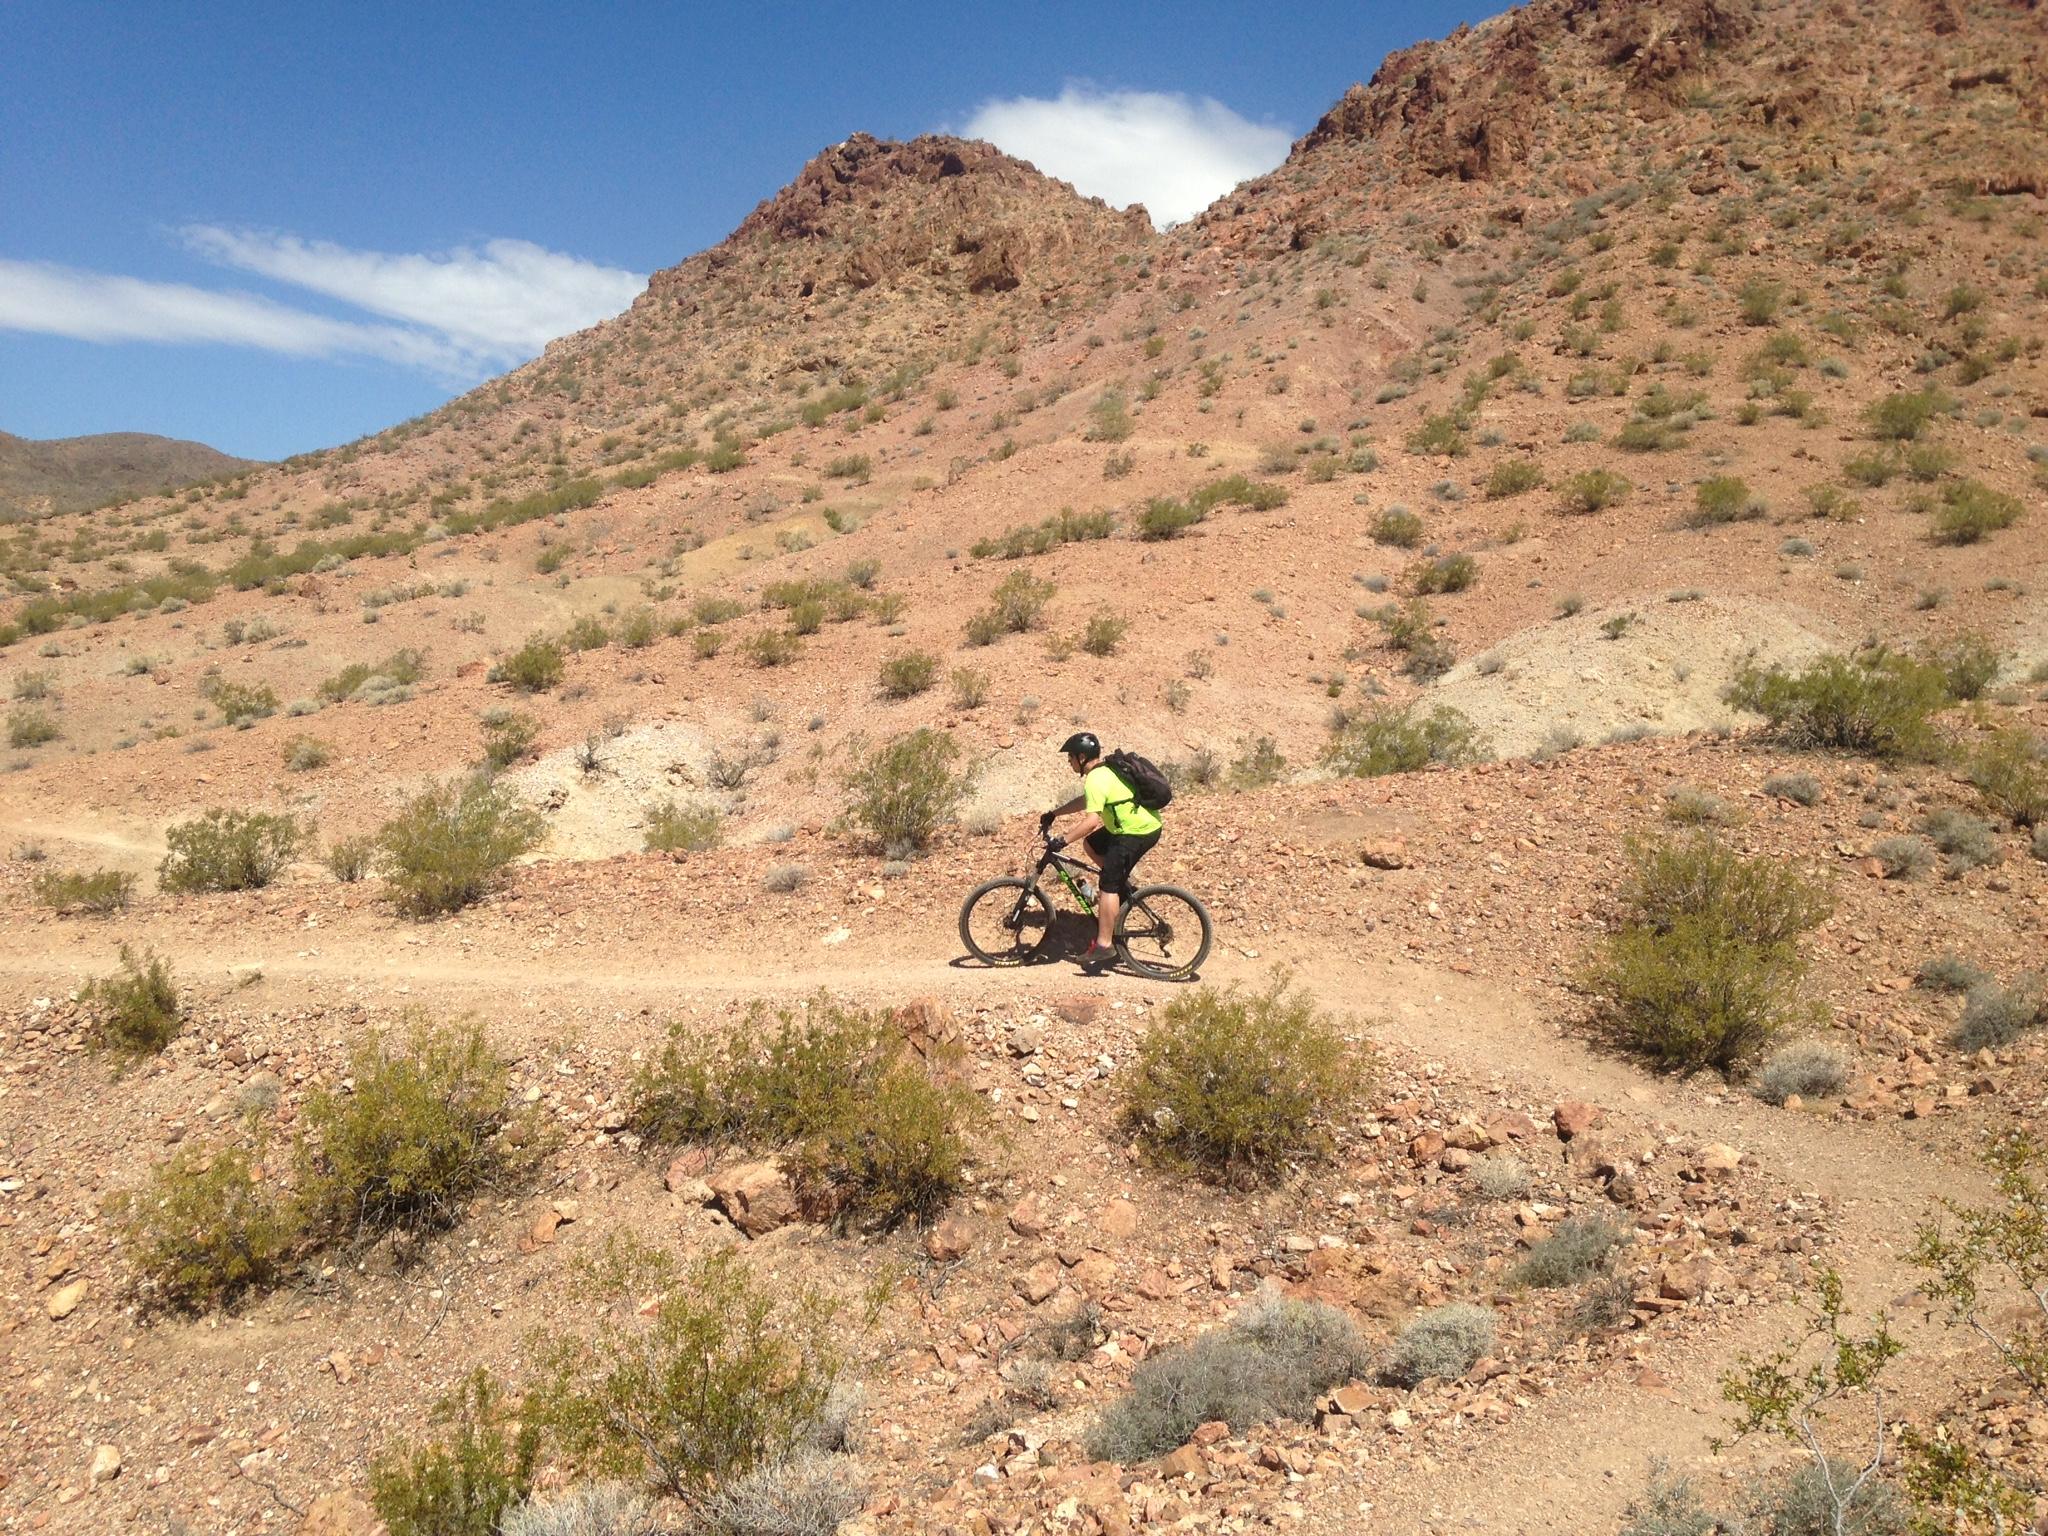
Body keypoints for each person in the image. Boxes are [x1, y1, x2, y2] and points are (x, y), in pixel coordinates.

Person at [1040, 731, 1161, 973]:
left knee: (1108, 884)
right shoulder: (1103, 773)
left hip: (1136, 831)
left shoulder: (1096, 778)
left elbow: (1091, 821)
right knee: (1092, 844)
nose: (1069, 762)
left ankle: (1105, 945)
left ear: (1082, 757)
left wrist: (1062, 841)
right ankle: (1120, 889)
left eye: (1071, 758)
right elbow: (1088, 801)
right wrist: (1055, 813)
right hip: (1137, 826)